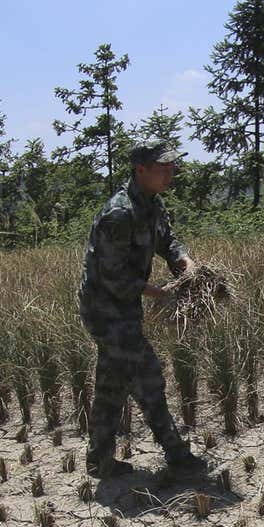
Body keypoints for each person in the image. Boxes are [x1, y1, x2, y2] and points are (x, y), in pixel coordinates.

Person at [77, 140, 208, 480]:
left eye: (171, 167)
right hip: (105, 309)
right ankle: (176, 454)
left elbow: (168, 241)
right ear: (140, 170)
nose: (169, 173)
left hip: (124, 307)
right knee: (148, 376)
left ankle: (99, 461)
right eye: (162, 167)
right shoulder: (119, 213)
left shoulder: (152, 204)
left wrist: (187, 266)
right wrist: (161, 293)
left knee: (112, 385)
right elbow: (114, 278)